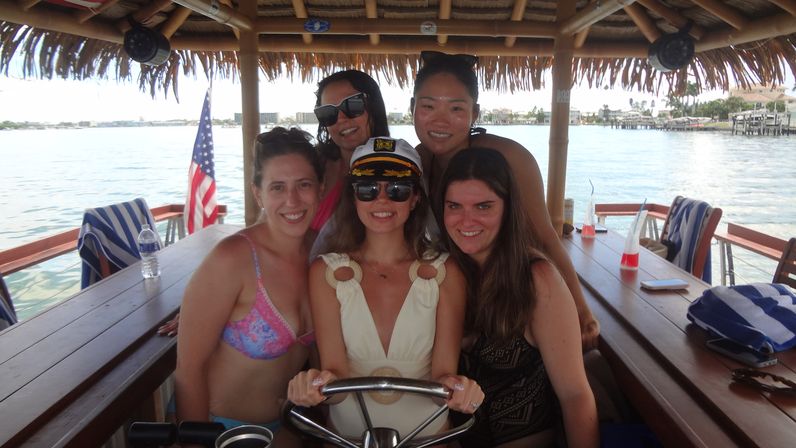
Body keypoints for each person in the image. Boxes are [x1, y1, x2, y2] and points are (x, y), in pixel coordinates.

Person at [288, 137, 483, 439]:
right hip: (347, 441)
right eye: (367, 189)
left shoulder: (447, 273)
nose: (382, 200)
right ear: (354, 197)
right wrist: (313, 386)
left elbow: (442, 379)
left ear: (415, 198)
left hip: (427, 440)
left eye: (397, 189)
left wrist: (461, 389)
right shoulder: (324, 273)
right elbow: (336, 382)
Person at [411, 51, 601, 350]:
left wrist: (580, 309)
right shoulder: (417, 161)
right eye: (428, 106)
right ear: (412, 108)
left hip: (510, 299)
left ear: (475, 113)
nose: (440, 120)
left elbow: (545, 236)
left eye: (456, 108)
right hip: (454, 298)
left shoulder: (509, 158)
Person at [438, 147, 598, 448]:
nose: (467, 221)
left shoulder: (537, 279)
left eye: (483, 206)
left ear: (508, 209)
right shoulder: (442, 273)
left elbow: (575, 395)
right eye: (454, 206)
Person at [174, 127, 323, 447]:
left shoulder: (321, 255)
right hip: (221, 431)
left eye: (304, 185)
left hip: (286, 429)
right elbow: (189, 371)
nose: (292, 200)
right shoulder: (232, 259)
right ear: (258, 194)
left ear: (320, 189)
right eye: (277, 187)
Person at [311, 69, 390, 233]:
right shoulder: (311, 164)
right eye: (328, 113)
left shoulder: (398, 170)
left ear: (374, 107)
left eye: (353, 105)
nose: (341, 119)